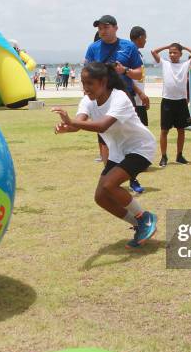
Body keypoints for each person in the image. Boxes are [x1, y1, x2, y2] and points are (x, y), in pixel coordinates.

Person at [52, 62, 157, 248]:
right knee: (101, 197)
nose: (85, 88)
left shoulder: (119, 98)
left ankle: (144, 217)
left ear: (104, 81)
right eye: (83, 83)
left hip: (140, 147)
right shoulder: (87, 100)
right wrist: (66, 128)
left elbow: (102, 126)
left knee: (110, 185)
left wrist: (71, 121)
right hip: (118, 150)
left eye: (90, 83)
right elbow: (78, 124)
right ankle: (138, 224)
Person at [85, 14, 146, 194]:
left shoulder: (128, 47)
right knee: (105, 139)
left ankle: (132, 178)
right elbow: (87, 73)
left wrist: (124, 70)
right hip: (101, 100)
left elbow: (139, 74)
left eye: (106, 27)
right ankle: (109, 175)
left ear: (116, 28)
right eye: (100, 28)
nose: (102, 31)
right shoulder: (93, 48)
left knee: (129, 139)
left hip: (123, 99)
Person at [151, 42, 191, 167]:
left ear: (180, 54)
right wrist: (167, 46)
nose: (172, 54)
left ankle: (179, 155)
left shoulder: (185, 65)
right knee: (164, 130)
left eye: (175, 52)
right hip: (167, 100)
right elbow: (153, 52)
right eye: (170, 52)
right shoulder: (165, 63)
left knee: (181, 130)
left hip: (181, 101)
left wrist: (184, 46)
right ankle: (164, 156)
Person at [129, 26, 150, 126]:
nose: (145, 41)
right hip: (133, 98)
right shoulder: (129, 53)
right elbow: (126, 78)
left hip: (139, 99)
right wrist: (140, 93)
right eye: (145, 38)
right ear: (140, 37)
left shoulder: (138, 54)